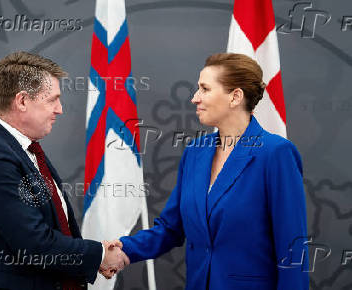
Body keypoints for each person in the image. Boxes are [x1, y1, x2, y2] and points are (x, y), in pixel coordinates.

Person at [108, 53, 309, 289]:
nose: (195, 98)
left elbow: (292, 247)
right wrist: (122, 251)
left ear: (235, 97)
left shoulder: (276, 153)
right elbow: (171, 228)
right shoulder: (195, 153)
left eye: (204, 89)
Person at [0, 51, 128, 290]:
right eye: (52, 100)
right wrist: (99, 255)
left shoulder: (25, 149)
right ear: (22, 101)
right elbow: (33, 243)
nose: (60, 109)